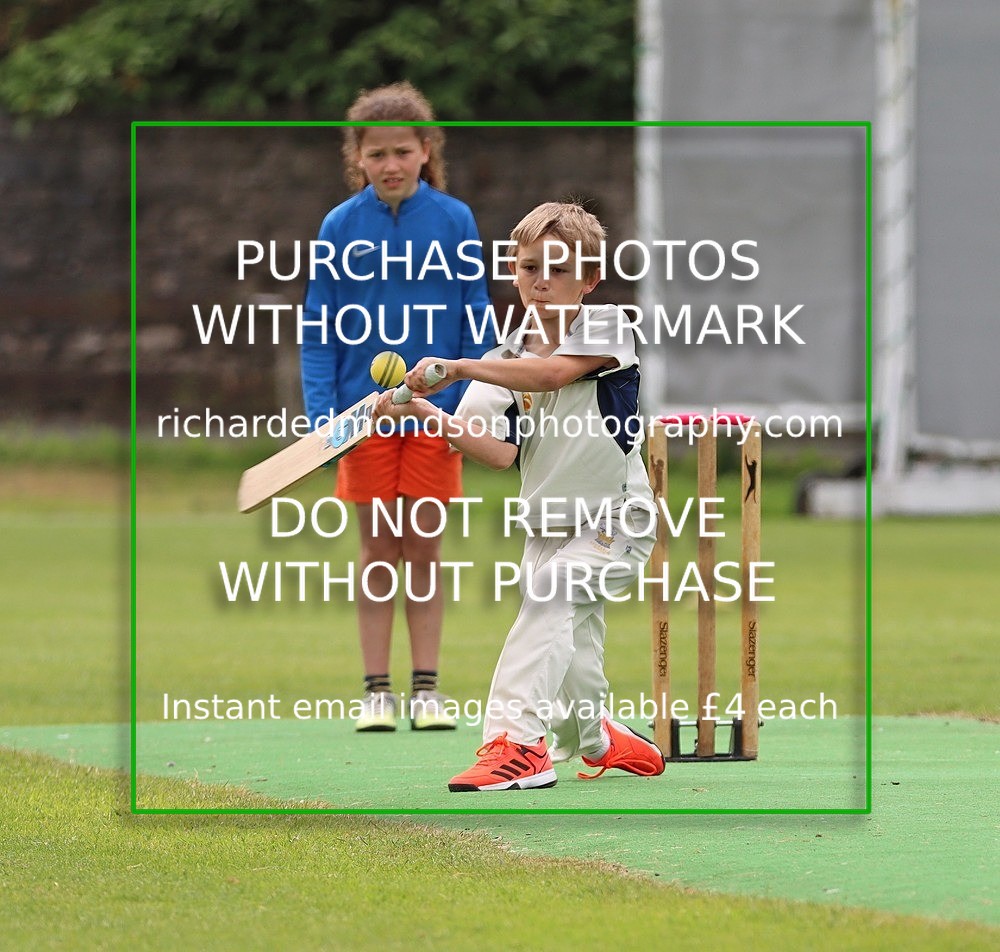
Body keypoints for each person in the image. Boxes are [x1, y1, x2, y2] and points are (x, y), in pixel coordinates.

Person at [376, 201, 665, 790]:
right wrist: (427, 411)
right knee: (572, 646)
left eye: (559, 269)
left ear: (590, 278)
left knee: (552, 599)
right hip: (547, 528)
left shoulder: (606, 325)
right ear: (513, 270)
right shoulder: (500, 359)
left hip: (618, 519)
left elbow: (554, 374)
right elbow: (497, 451)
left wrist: (458, 370)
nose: (541, 281)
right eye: (529, 266)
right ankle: (600, 739)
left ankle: (516, 745)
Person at [300, 82, 492, 733]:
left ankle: (428, 692)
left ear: (425, 151)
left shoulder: (455, 221)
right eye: (376, 153)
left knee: (425, 551)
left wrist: (462, 406)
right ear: (357, 156)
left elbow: (477, 322)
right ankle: (377, 693)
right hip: (366, 419)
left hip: (436, 420)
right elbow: (318, 331)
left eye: (402, 152)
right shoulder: (338, 227)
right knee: (378, 549)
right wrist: (328, 418)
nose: (390, 164)